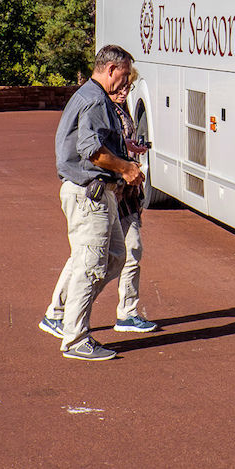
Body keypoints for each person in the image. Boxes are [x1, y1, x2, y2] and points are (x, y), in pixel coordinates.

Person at [39, 44, 143, 361]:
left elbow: (92, 140)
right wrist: (126, 168)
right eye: (124, 75)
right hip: (91, 192)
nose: (125, 82)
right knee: (92, 264)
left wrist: (120, 145)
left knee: (113, 256)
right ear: (110, 69)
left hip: (93, 190)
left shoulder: (89, 96)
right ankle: (75, 338)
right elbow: (91, 150)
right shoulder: (96, 99)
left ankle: (64, 318)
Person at [107, 71, 158, 333]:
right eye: (121, 86)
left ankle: (127, 312)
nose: (125, 91)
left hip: (128, 196)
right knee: (88, 259)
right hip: (106, 194)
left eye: (129, 86)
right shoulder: (101, 110)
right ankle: (58, 311)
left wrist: (131, 149)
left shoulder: (123, 111)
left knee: (133, 250)